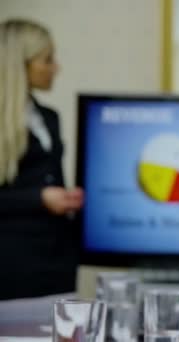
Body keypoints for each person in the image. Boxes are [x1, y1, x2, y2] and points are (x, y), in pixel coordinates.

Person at [0, 19, 83, 299]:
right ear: (19, 64)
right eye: (47, 60)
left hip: (57, 263)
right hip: (12, 269)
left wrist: (67, 200)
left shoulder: (50, 117)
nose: (55, 67)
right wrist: (39, 198)